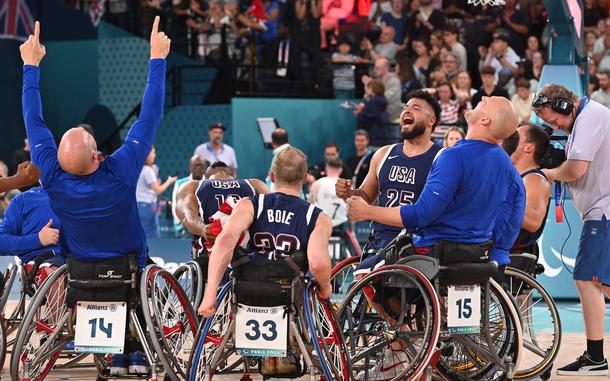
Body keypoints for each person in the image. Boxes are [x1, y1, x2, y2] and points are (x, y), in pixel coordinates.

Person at [19, 18, 170, 375]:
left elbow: (33, 121)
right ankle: (134, 348)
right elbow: (149, 116)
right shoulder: (121, 171)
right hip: (131, 269)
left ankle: (119, 351)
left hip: (79, 272)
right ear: (97, 154)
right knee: (155, 274)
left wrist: (30, 67)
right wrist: (157, 59)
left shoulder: (52, 175)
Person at [346, 96, 525, 284]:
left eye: (488, 100)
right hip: (478, 252)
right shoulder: (506, 164)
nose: (483, 96)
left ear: (485, 120)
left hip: (436, 250)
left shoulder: (453, 156)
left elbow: (421, 215)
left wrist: (367, 211)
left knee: (362, 274)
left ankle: (397, 314)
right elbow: (513, 214)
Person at [198, 147, 333, 318]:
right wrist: (325, 289)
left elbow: (225, 241)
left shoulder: (250, 204)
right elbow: (318, 264)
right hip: (289, 290)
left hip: (248, 285)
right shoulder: (318, 218)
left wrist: (210, 296)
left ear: (272, 176)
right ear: (305, 178)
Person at [533, 83, 610, 376]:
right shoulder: (587, 117)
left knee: (586, 278)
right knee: (601, 282)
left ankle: (595, 357)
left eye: (555, 120)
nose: (556, 126)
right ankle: (595, 357)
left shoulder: (590, 117)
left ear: (566, 106)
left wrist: (548, 174)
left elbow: (576, 169)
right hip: (601, 211)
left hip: (603, 212)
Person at [336, 89, 443, 273]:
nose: (406, 111)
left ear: (431, 121)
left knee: (364, 277)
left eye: (416, 108)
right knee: (370, 285)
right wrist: (349, 193)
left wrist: (367, 211)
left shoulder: (441, 158)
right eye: (405, 108)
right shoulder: (383, 154)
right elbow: (365, 195)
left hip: (417, 239)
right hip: (381, 238)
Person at [175, 161, 268, 276]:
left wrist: (203, 229)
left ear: (207, 174)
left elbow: (186, 215)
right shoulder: (255, 184)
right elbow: (270, 217)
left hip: (209, 257)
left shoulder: (193, 185)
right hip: (248, 257)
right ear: (233, 175)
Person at [501, 125, 551, 254]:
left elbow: (533, 222)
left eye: (515, 138)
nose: (509, 141)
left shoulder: (534, 179)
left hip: (511, 253)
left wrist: (494, 197)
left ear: (529, 147)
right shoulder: (509, 176)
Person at [0, 187, 63, 266]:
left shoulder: (81, 196)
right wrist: (38, 239)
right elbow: (2, 243)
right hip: (47, 263)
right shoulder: (22, 200)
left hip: (78, 259)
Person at [136, 146, 177, 238]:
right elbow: (158, 190)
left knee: (141, 235)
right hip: (147, 207)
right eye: (153, 152)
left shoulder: (137, 169)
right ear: (147, 154)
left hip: (138, 206)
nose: (154, 155)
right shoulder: (147, 170)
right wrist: (169, 181)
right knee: (152, 236)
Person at [171, 156, 209, 236]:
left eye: (201, 165)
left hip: (205, 227)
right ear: (190, 167)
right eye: (195, 165)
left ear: (206, 168)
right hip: (184, 227)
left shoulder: (210, 183)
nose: (198, 168)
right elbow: (175, 205)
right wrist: (182, 223)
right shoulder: (180, 183)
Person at [309, 158, 348, 229]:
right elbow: (351, 210)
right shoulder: (347, 186)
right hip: (340, 227)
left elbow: (310, 207)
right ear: (341, 170)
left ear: (326, 168)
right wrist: (352, 230)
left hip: (321, 226)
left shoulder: (317, 184)